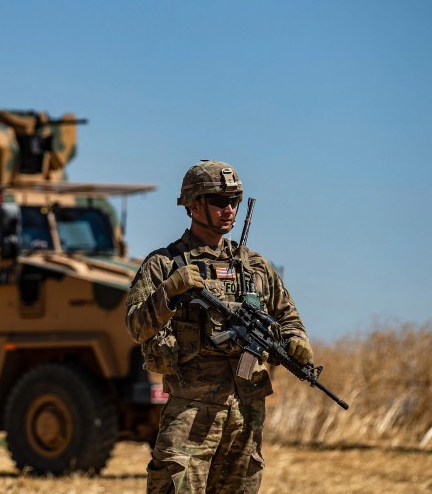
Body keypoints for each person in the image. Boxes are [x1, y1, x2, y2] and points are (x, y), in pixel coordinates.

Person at [126, 160, 313, 493]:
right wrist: (169, 291)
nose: (229, 209)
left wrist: (297, 339)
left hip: (246, 410)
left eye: (234, 201)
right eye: (219, 201)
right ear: (194, 205)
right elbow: (136, 325)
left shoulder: (255, 266)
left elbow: (287, 316)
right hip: (191, 410)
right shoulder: (165, 264)